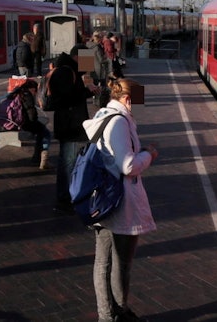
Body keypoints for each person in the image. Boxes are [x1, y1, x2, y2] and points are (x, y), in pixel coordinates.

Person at [84, 78, 158, 322]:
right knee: (118, 261)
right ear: (127, 99)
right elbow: (127, 165)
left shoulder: (104, 115)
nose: (135, 106)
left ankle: (112, 312)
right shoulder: (118, 123)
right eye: (134, 101)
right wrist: (148, 155)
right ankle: (113, 313)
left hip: (104, 197)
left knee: (104, 260)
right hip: (117, 201)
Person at [50, 51, 93, 213]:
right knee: (68, 162)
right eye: (85, 59)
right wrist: (87, 91)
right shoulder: (65, 72)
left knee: (69, 160)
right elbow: (68, 97)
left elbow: (85, 72)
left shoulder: (68, 69)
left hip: (70, 123)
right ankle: (64, 198)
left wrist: (89, 88)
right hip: (69, 124)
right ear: (77, 57)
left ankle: (67, 195)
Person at [10, 78, 53, 170]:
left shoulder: (17, 92)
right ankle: (43, 157)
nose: (36, 93)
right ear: (32, 89)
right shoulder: (27, 95)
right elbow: (32, 115)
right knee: (46, 133)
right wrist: (36, 120)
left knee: (41, 132)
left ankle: (37, 158)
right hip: (24, 123)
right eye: (36, 91)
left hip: (14, 122)